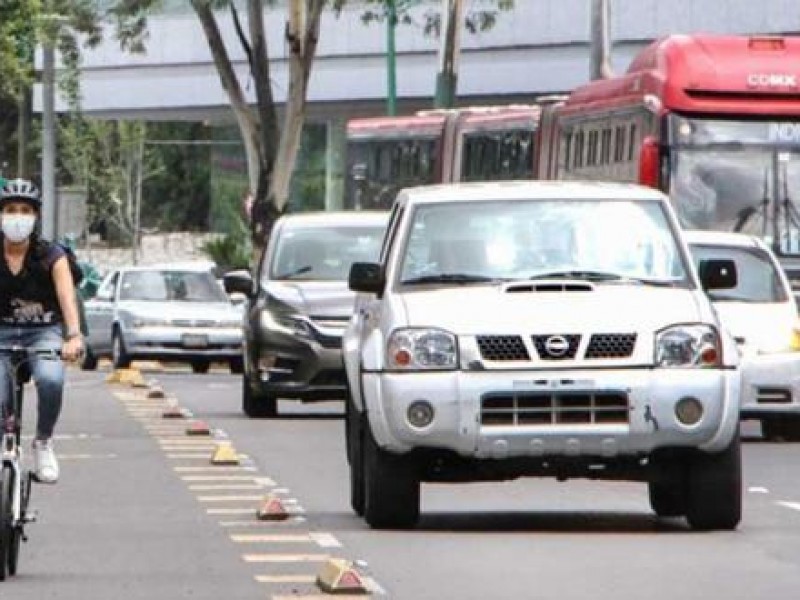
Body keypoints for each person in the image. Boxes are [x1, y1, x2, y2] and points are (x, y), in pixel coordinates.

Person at [0, 178, 84, 484]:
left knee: (50, 379)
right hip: (2, 334)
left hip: (43, 333)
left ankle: (43, 442)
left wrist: (73, 336)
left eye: (24, 210)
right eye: (10, 209)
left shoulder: (52, 255)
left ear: (35, 216)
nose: (17, 216)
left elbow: (66, 297)